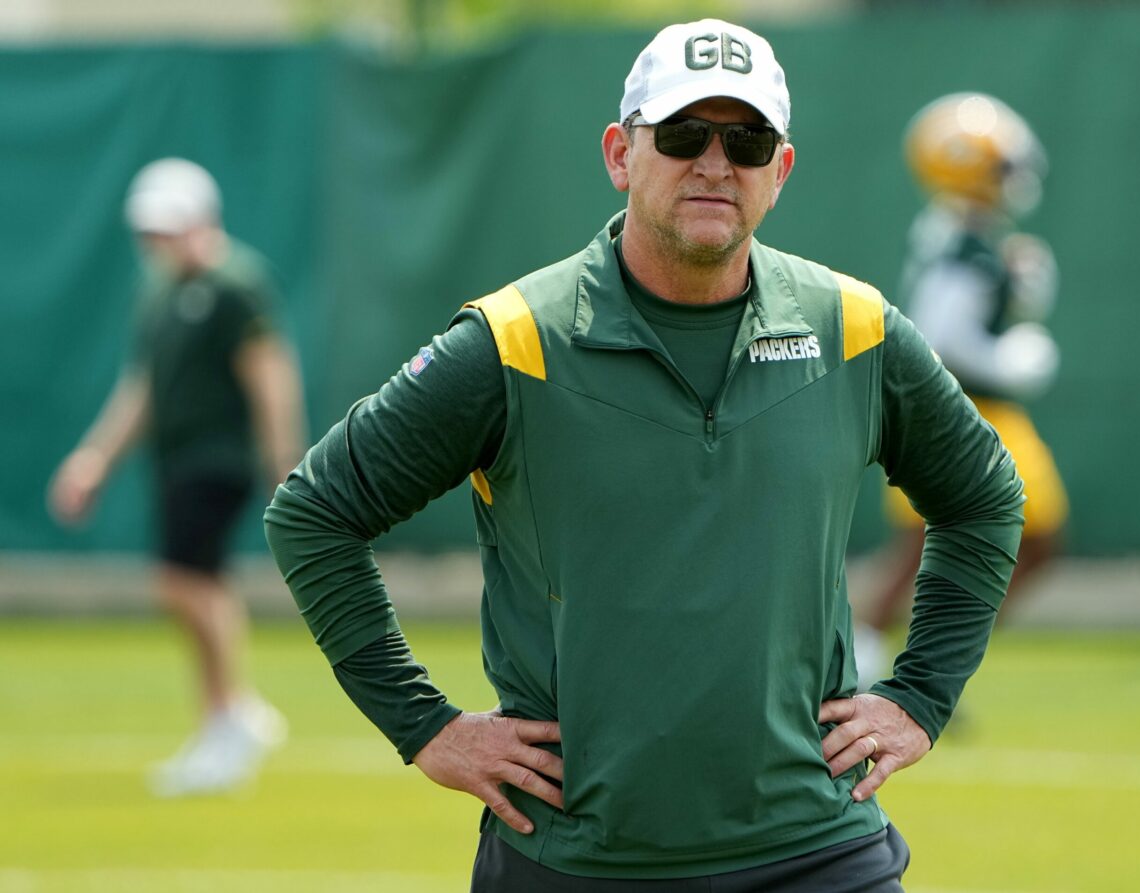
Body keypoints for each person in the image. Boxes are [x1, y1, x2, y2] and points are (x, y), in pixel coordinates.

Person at [265, 20, 1024, 891]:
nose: (714, 162)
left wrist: (920, 696)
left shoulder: (853, 329)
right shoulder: (514, 341)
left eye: (745, 140)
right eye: (682, 134)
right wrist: (425, 724)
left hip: (819, 848)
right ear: (622, 154)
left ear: (778, 171)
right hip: (575, 857)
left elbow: (985, 496)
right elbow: (314, 512)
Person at [48, 158, 306, 797]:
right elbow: (142, 390)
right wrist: (94, 460)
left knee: (180, 583)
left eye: (167, 228)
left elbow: (270, 374)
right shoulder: (158, 294)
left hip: (219, 461)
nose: (157, 243)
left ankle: (234, 711)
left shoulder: (235, 285)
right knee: (194, 584)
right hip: (173, 460)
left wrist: (286, 465)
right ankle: (225, 718)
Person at [853, 94, 1068, 689]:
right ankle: (865, 662)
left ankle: (942, 657)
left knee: (1035, 536)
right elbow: (944, 339)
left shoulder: (969, 234)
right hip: (962, 406)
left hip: (991, 410)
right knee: (924, 543)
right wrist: (1012, 356)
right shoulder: (960, 244)